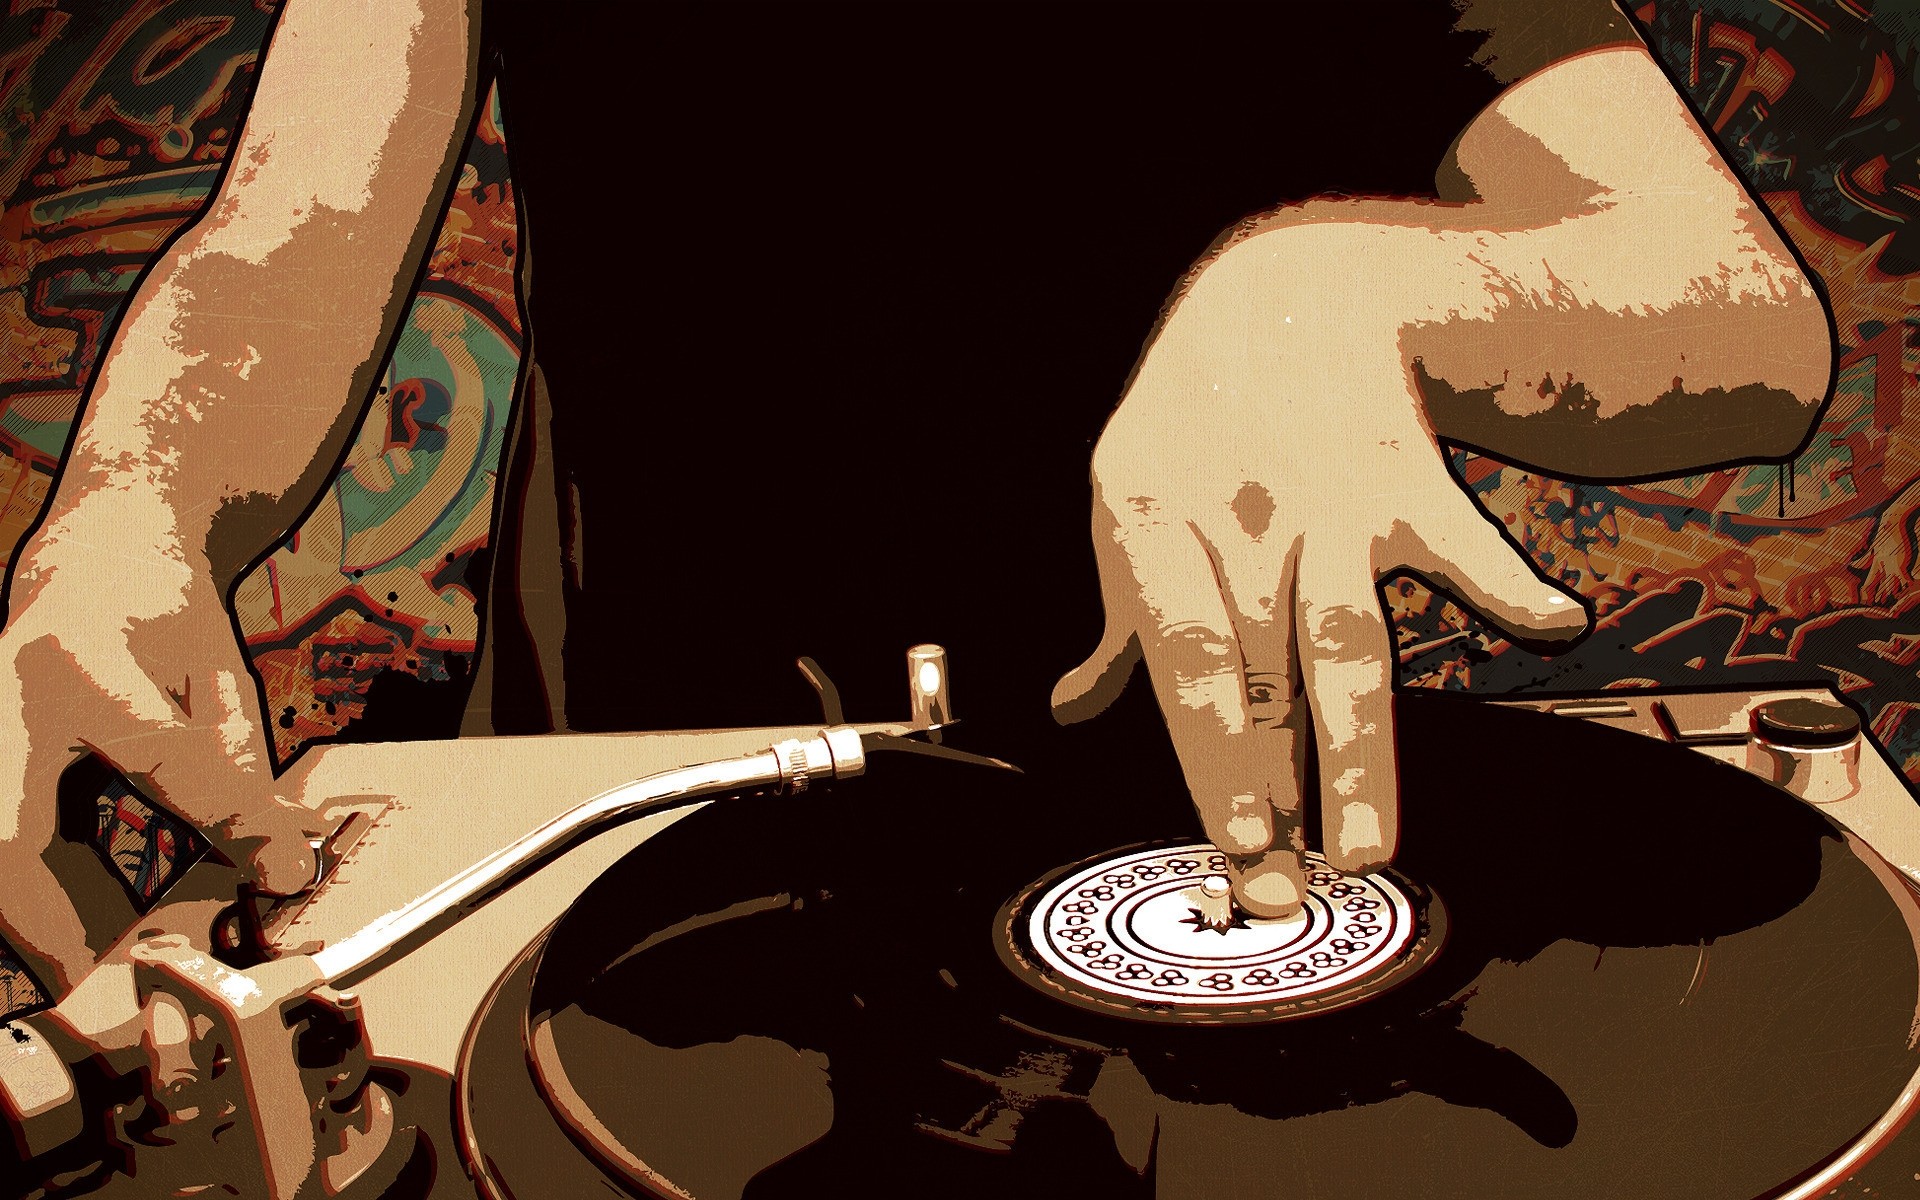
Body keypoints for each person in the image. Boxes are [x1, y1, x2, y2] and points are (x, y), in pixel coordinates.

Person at [0, 0, 1834, 999]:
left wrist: (1353, 293)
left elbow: (1737, 308)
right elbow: (290, 242)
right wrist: (130, 504)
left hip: (1183, 820)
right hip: (635, 839)